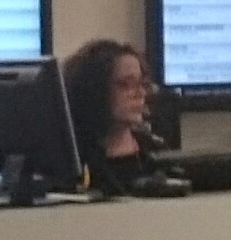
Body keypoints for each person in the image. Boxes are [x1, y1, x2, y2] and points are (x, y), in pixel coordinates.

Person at [60, 38, 164, 193]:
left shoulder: (155, 151)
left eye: (142, 84)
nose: (140, 93)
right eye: (125, 85)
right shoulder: (73, 159)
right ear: (95, 91)